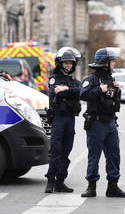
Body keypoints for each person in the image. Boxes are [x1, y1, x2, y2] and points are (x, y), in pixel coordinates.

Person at [80, 48, 125, 198]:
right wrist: (98, 90)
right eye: (112, 61)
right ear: (105, 63)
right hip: (96, 123)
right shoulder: (92, 79)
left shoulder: (111, 79)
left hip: (110, 123)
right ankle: (91, 186)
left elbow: (114, 102)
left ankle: (112, 186)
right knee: (94, 155)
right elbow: (83, 95)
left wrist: (117, 91)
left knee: (114, 155)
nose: (114, 63)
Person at [44, 48, 82, 193]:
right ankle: (50, 181)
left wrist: (66, 89)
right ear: (60, 63)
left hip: (70, 118)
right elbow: (56, 93)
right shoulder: (54, 78)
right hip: (58, 117)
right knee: (56, 150)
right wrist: (69, 92)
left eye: (70, 63)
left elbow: (81, 92)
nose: (68, 65)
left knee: (66, 150)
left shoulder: (72, 81)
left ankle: (60, 181)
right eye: (65, 63)